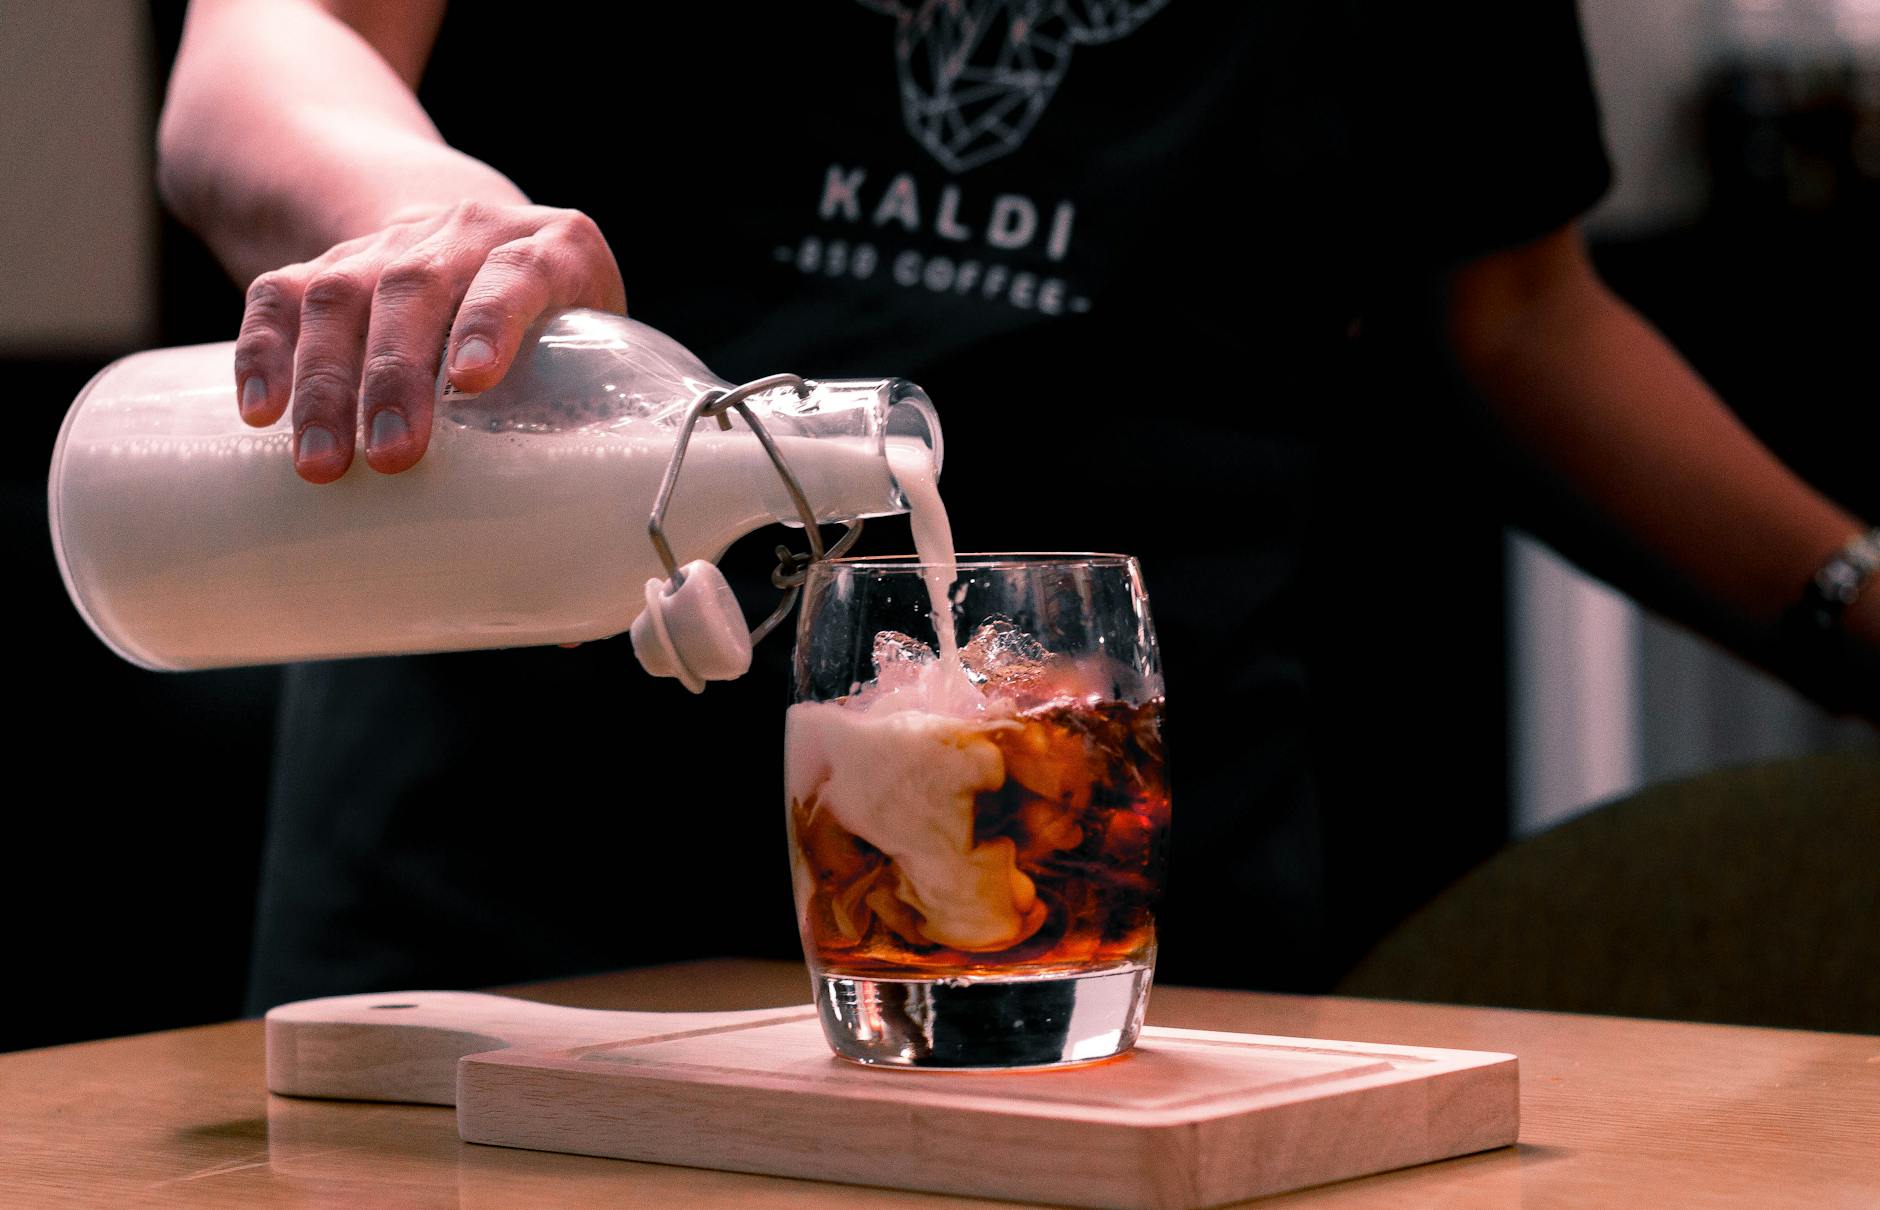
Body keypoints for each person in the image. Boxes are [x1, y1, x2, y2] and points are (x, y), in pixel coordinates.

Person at [156, 0, 1880, 1011]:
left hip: (1109, 918)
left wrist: (1850, 599)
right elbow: (264, 46)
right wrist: (441, 221)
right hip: (519, 889)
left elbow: (1513, 312)